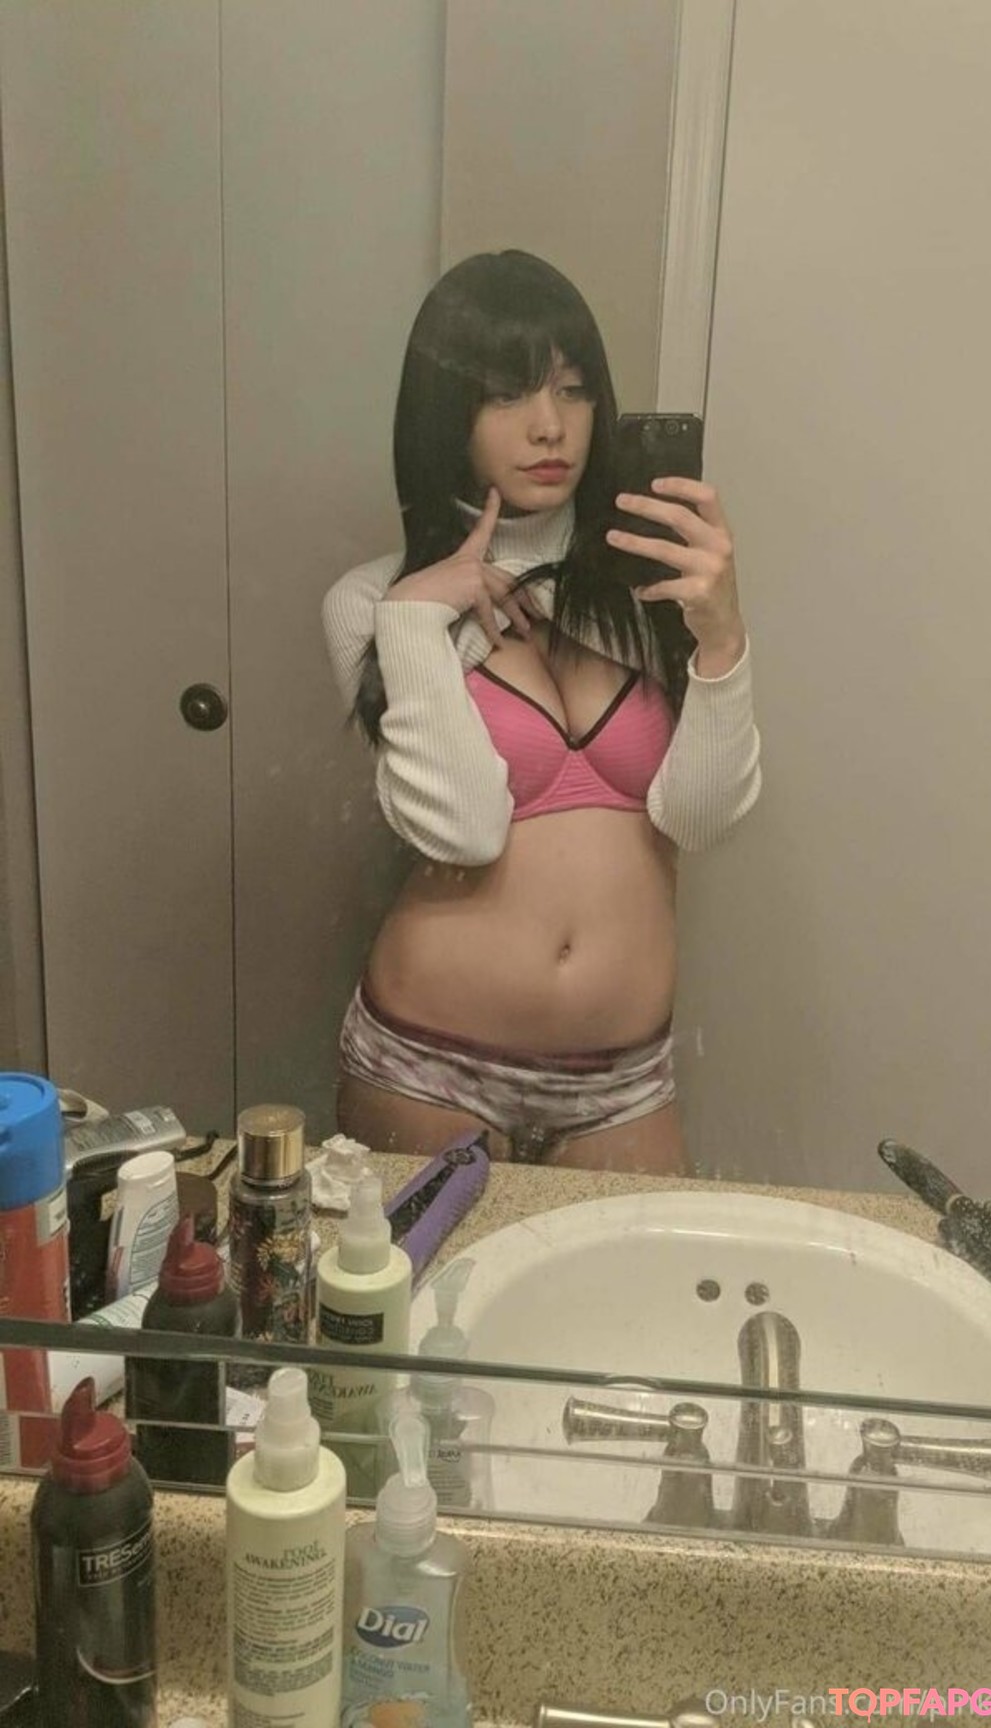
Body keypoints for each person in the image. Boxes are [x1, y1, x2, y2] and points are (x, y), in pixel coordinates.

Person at [322, 250, 760, 1175]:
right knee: (422, 1281)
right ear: (445, 411)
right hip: (424, 1067)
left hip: (621, 1084)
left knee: (639, 1278)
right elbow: (463, 829)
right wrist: (414, 622)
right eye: (505, 394)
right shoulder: (374, 601)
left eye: (572, 389)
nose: (550, 425)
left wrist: (722, 637)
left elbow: (702, 818)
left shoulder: (651, 589)